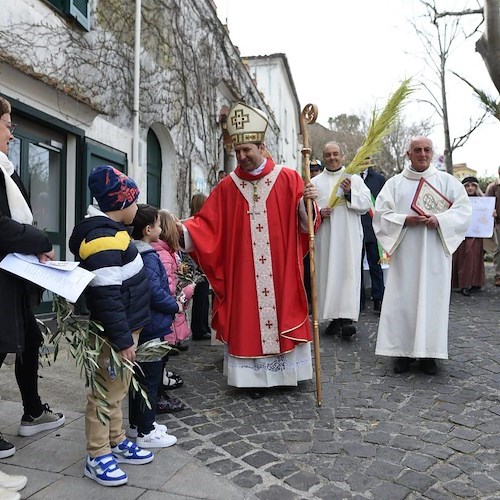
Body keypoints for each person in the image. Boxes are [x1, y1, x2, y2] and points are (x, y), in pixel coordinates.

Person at [180, 101, 320, 394]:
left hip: (280, 269)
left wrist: (307, 202)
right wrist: (178, 230)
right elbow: (206, 224)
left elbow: (305, 225)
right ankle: (251, 379)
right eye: (237, 151)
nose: (241, 156)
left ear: (261, 146)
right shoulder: (227, 186)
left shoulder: (288, 177)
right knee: (248, 321)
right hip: (244, 274)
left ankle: (285, 376)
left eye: (247, 150)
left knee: (283, 311)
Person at [69, 166, 154, 487]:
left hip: (124, 327)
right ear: (119, 204)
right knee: (105, 391)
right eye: (134, 200)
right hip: (115, 332)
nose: (137, 206)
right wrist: (121, 339)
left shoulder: (111, 231)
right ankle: (97, 453)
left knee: (116, 387)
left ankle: (116, 439)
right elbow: (107, 295)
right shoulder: (103, 238)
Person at [0, 96, 64, 461]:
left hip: (14, 276)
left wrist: (35, 245)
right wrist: (39, 239)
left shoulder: (6, 169)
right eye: (8, 125)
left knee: (29, 337)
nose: (12, 133)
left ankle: (33, 411)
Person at [373, 136, 471, 375]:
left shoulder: (447, 182)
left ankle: (429, 354)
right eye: (417, 150)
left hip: (435, 253)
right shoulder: (394, 184)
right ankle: (402, 353)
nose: (423, 154)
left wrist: (440, 219)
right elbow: (381, 214)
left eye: (427, 150)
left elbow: (463, 211)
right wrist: (405, 219)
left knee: (432, 300)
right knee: (403, 301)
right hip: (406, 253)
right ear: (408, 154)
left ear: (432, 152)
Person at [128, 204, 180, 446]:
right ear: (149, 229)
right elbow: (155, 292)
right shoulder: (148, 256)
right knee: (149, 379)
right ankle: (146, 432)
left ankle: (137, 424)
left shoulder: (136, 252)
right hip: (151, 326)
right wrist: (174, 305)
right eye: (158, 224)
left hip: (145, 324)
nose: (161, 228)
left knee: (139, 379)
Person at [311, 142, 372, 337]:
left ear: (342, 156)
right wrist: (320, 212)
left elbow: (365, 204)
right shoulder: (316, 182)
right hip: (326, 235)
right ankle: (333, 317)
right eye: (328, 155)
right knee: (328, 273)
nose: (332, 158)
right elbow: (307, 208)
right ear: (324, 157)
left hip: (348, 234)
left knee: (347, 273)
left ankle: (346, 318)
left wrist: (348, 193)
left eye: (335, 154)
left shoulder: (353, 179)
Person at [152, 209, 193, 390]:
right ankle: (160, 382)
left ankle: (162, 375)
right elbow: (168, 287)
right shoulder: (164, 255)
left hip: (166, 310)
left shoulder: (165, 252)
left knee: (163, 352)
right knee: (162, 350)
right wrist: (187, 290)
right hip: (166, 311)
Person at [359, 162, 386, 313]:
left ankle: (378, 299)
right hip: (356, 228)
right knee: (356, 268)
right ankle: (359, 301)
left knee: (376, 266)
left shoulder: (379, 179)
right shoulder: (351, 178)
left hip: (373, 229)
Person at [452, 177, 486, 296]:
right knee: (465, 257)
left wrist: (492, 213)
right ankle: (464, 284)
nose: (470, 188)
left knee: (475, 257)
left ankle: (475, 282)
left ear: (476, 187)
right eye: (467, 186)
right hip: (463, 233)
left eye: (473, 185)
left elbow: (486, 217)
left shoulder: (482, 201)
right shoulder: (458, 201)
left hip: (477, 233)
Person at [188, 193, 211, 341]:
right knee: (200, 299)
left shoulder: (191, 222)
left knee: (203, 300)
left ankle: (203, 327)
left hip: (197, 265)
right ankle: (199, 329)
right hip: (198, 266)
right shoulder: (196, 223)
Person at [485, 166, 500, 286]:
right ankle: (498, 275)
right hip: (498, 223)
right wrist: (491, 211)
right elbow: (486, 205)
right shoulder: (493, 187)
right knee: (498, 250)